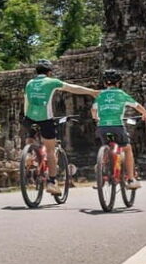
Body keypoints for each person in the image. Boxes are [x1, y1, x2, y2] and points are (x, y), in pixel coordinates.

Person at [23, 59, 99, 195]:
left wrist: (26, 119)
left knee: (30, 138)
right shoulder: (52, 82)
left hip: (29, 118)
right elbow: (72, 88)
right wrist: (92, 92)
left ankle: (28, 155)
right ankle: (52, 182)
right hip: (45, 119)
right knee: (50, 151)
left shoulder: (29, 83)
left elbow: (26, 102)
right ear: (49, 72)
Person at [91, 69, 146, 190]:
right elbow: (137, 105)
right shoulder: (121, 94)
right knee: (127, 149)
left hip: (102, 128)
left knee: (106, 149)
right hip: (117, 126)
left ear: (104, 83)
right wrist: (145, 114)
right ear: (118, 83)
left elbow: (93, 110)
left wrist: (96, 118)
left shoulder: (100, 95)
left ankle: (100, 176)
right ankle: (130, 179)